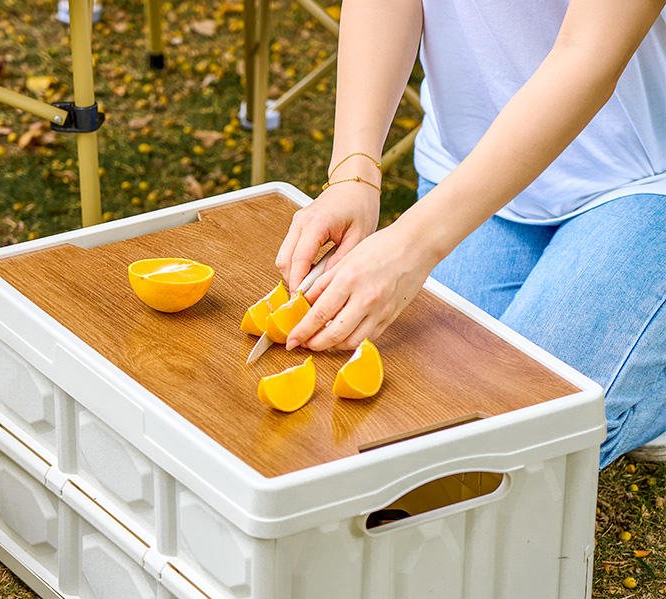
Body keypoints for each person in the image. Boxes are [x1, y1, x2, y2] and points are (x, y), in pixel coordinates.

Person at [275, 0, 666, 468]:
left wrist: (412, 246)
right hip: (471, 163)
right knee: (426, 406)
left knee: (519, 438)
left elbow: (587, 53)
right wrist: (352, 173)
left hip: (644, 178)